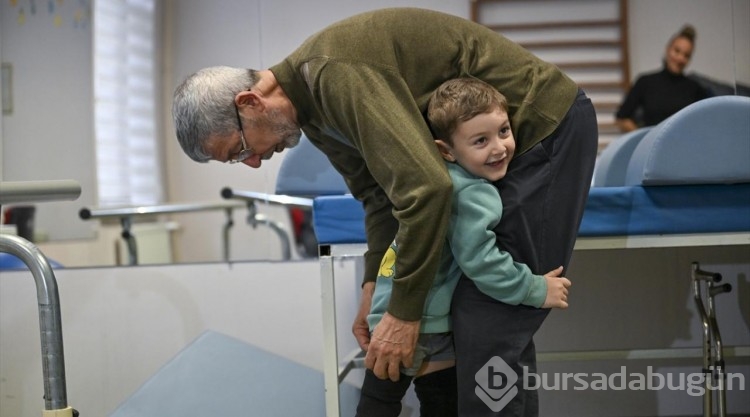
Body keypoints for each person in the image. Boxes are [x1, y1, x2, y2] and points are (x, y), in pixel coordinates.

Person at [172, 8, 598, 415]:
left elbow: (426, 189)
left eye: (238, 150)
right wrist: (375, 285)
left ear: (250, 102)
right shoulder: (316, 115)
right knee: (485, 315)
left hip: (543, 126)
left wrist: (403, 313)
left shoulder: (335, 75)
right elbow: (379, 196)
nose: (252, 163)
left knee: (487, 308)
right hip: (489, 151)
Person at [357, 78, 573, 417]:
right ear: (446, 150)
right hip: (428, 323)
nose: (499, 148)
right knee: (439, 405)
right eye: (480, 141)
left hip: (390, 310)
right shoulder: (473, 193)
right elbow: (482, 262)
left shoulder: (434, 175)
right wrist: (534, 288)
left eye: (503, 131)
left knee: (378, 402)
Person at [615, 24, 709, 132]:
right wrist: (643, 138)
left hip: (684, 145)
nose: (680, 58)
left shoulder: (695, 88)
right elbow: (621, 118)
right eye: (677, 51)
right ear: (668, 49)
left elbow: (707, 119)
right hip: (652, 146)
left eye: (686, 55)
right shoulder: (645, 82)